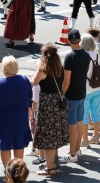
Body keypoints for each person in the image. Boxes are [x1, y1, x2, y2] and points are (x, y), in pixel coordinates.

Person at [0, 56, 33, 168]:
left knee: (5, 145)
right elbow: (29, 98)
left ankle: (8, 173)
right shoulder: (25, 80)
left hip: (4, 120)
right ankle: (18, 172)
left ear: (4, 69)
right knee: (19, 144)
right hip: (20, 119)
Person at [31, 43, 69, 177]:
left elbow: (34, 82)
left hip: (47, 104)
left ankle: (49, 168)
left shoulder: (43, 70)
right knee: (53, 137)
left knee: (48, 138)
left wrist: (38, 67)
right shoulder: (59, 68)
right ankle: (51, 165)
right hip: (57, 102)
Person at [62, 29, 91, 163]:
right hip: (81, 93)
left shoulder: (69, 57)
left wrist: (61, 93)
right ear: (79, 40)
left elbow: (66, 80)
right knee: (79, 121)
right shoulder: (86, 54)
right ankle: (77, 149)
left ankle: (72, 153)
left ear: (68, 40)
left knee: (71, 124)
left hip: (71, 95)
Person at [80, 33, 100, 148]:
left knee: (84, 114)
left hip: (86, 88)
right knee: (96, 111)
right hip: (97, 86)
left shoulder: (82, 55)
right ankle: (96, 136)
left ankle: (85, 140)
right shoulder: (96, 54)